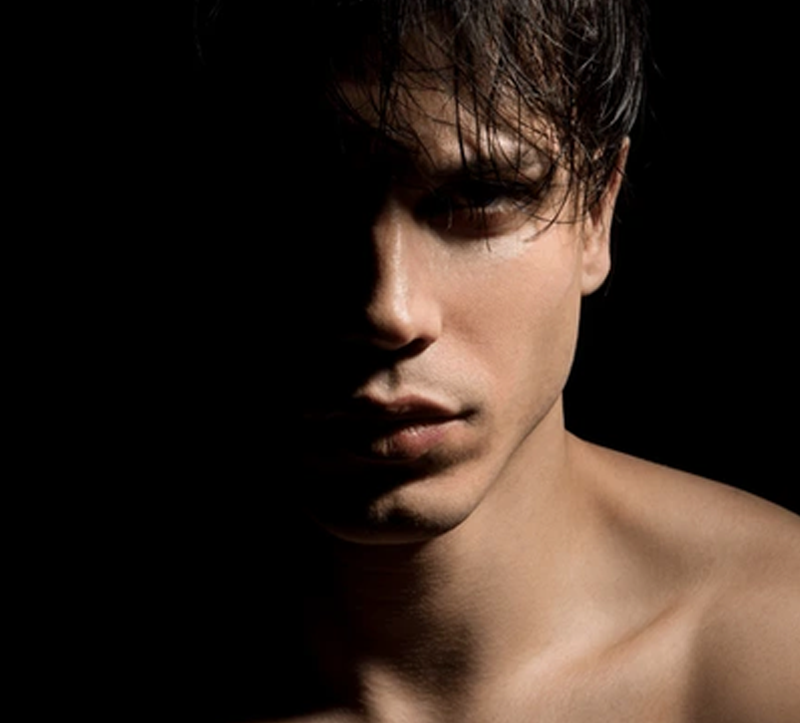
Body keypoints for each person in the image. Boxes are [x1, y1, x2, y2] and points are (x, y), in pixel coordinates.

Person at [192, 1, 800, 721]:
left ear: (597, 213)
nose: (391, 309)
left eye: (480, 195)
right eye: (303, 202)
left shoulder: (776, 648)